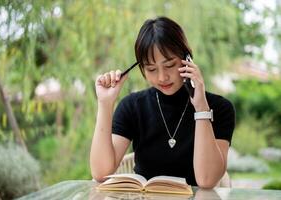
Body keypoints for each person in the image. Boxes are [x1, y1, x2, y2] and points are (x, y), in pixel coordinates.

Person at [90, 16, 235, 189]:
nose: (162, 77)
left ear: (187, 60)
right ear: (142, 69)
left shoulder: (220, 108)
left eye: (169, 65)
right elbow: (100, 172)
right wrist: (105, 104)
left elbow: (207, 180)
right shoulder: (132, 106)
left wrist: (201, 108)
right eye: (151, 69)